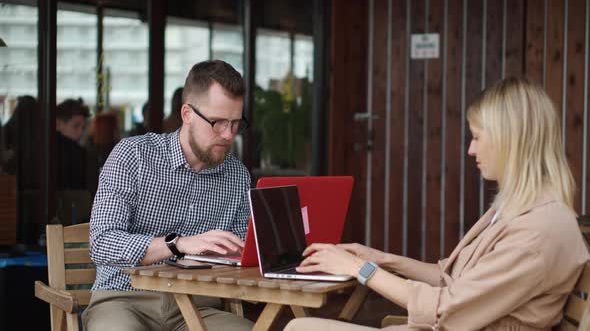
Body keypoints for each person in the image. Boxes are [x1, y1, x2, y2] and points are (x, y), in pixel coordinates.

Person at [285, 77, 590, 331]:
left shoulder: (536, 231)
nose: (471, 150)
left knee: (300, 328)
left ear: (511, 141)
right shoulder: (521, 209)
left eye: (477, 137)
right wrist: (380, 258)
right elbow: (449, 276)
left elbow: (445, 307)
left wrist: (359, 268)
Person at [83, 60, 253, 331]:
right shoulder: (133, 156)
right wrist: (179, 244)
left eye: (235, 124)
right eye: (218, 122)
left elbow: (242, 255)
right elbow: (103, 243)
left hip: (200, 305)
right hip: (123, 299)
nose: (228, 135)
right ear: (187, 114)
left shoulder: (237, 175)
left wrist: (232, 255)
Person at [55, 98, 90, 191]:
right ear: (58, 124)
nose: (80, 132)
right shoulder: (78, 154)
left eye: (83, 127)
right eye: (76, 126)